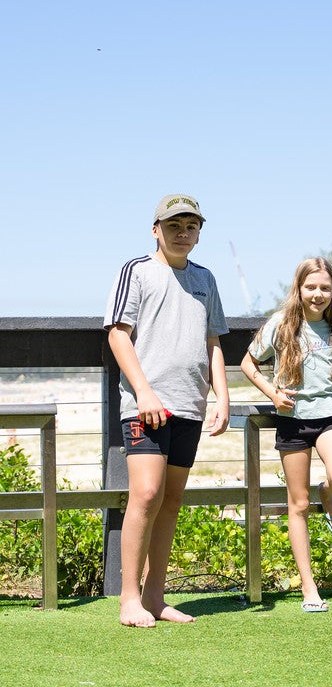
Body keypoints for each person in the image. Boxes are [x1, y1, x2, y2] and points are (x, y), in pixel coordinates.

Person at [105, 194, 230, 628]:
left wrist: (222, 397)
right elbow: (118, 335)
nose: (183, 233)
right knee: (145, 494)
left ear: (199, 234)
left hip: (189, 405)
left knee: (171, 501)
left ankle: (155, 597)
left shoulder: (205, 279)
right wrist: (144, 392)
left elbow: (213, 342)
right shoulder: (136, 271)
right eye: (174, 225)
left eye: (191, 226)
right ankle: (128, 598)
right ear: (155, 229)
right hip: (145, 406)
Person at [240, 257, 332, 613]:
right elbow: (248, 363)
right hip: (292, 420)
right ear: (299, 288)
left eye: (325, 288)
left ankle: (328, 492)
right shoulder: (281, 323)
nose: (317, 294)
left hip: (331, 417)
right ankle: (309, 587)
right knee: (299, 505)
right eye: (311, 287)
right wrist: (272, 394)